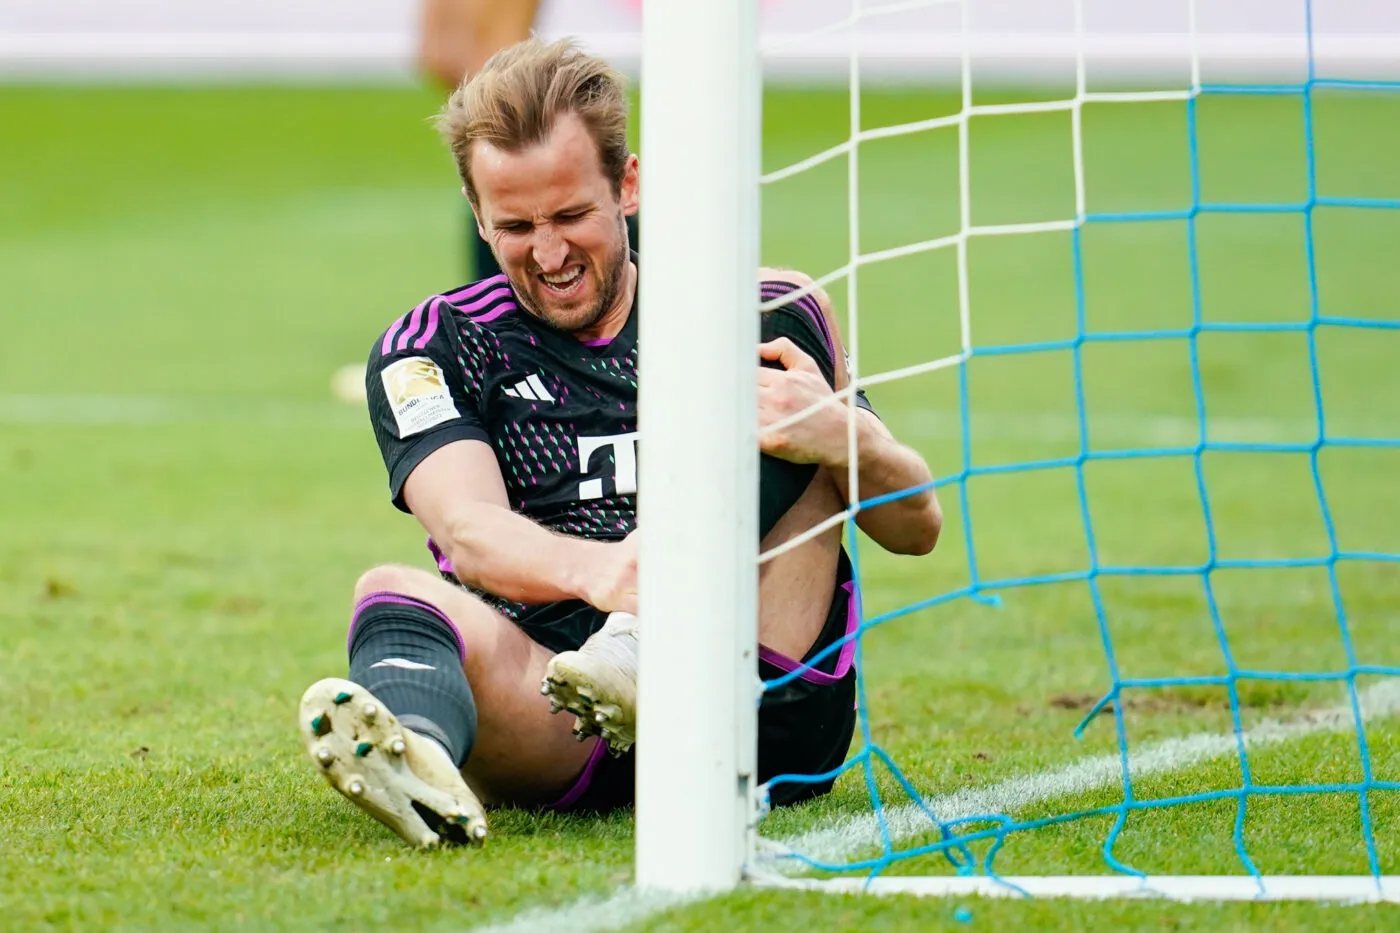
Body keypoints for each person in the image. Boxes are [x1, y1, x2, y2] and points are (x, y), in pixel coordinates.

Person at [297, 36, 941, 847]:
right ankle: (420, 756)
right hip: (567, 711)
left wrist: (844, 435)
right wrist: (621, 577)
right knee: (392, 590)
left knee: (780, 404)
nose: (552, 252)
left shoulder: (761, 312)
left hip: (756, 699)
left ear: (627, 185)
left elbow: (916, 528)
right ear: (475, 213)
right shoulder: (435, 346)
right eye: (517, 227)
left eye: (571, 215)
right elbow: (469, 531)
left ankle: (638, 653)